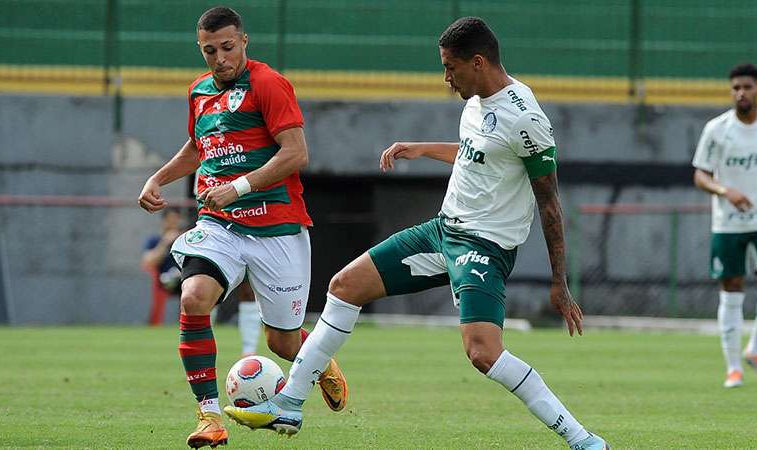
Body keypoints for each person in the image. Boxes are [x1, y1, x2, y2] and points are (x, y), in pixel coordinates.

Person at [224, 17, 609, 450]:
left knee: (483, 353)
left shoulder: (526, 119)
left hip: (484, 246)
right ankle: (290, 403)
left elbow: (549, 201)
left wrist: (560, 282)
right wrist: (424, 148)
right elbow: (478, 155)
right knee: (345, 285)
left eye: (451, 68)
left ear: (478, 62)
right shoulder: (477, 101)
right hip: (442, 232)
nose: (446, 79)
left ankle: (583, 440)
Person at [136, 6, 347, 448]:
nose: (219, 58)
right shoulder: (199, 93)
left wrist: (239, 186)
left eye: (227, 48)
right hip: (220, 226)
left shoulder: (268, 84)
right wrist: (157, 178)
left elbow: (296, 153)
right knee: (194, 298)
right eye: (209, 50)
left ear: (244, 42)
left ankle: (318, 361)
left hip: (278, 229)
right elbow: (199, 147)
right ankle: (209, 417)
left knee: (282, 343)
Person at [692, 63, 757, 389]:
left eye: (747, 87)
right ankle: (733, 367)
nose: (741, 93)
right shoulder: (716, 129)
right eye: (736, 88)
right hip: (728, 223)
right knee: (732, 289)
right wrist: (726, 191)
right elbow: (700, 175)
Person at [141, 207, 184, 325]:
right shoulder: (155, 240)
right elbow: (148, 262)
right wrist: (165, 242)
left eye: (176, 220)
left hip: (184, 279)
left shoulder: (184, 240)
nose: (173, 224)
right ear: (164, 221)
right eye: (170, 220)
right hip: (164, 281)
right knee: (169, 278)